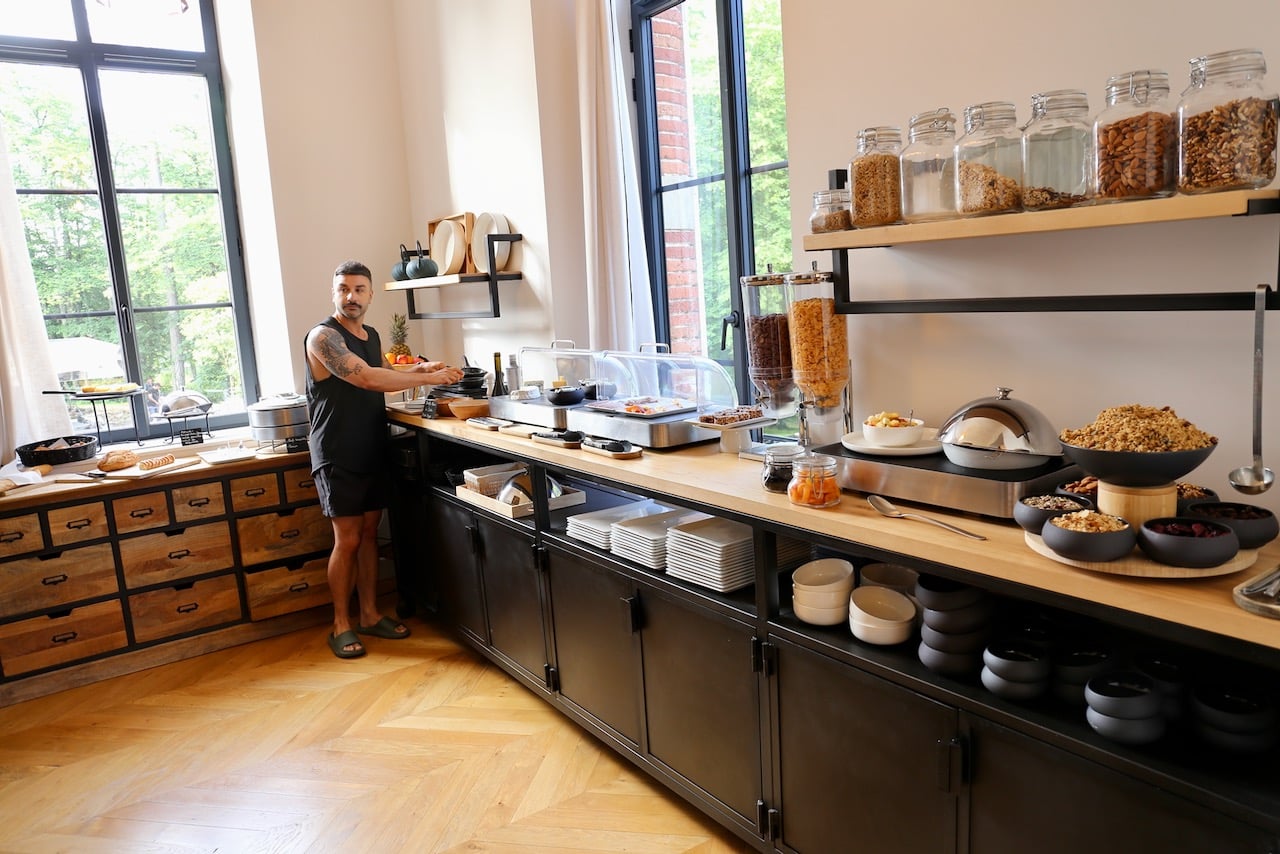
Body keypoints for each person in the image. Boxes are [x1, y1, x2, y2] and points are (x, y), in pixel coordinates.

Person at [304, 260, 463, 659]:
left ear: (371, 294)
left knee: (370, 534)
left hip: (372, 445)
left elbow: (385, 370)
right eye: (343, 289)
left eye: (359, 289)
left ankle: (370, 614)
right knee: (348, 539)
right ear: (333, 293)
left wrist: (422, 367)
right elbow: (367, 378)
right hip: (337, 451)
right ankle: (341, 624)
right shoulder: (323, 337)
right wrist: (427, 379)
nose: (351, 296)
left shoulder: (371, 335)